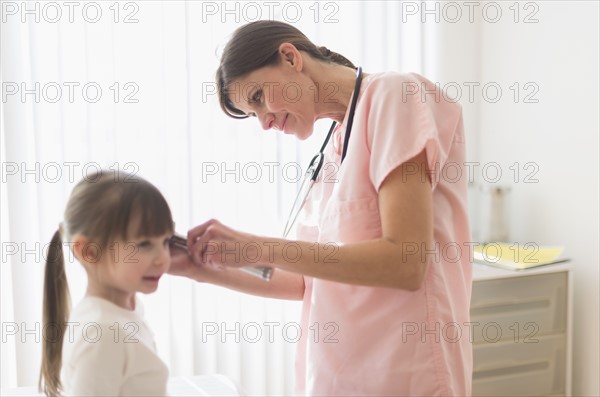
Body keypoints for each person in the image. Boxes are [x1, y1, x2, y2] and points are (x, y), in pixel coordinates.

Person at [170, 20, 472, 396]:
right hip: (341, 376)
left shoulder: (394, 97)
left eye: (259, 97)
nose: (263, 122)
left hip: (407, 372)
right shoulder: (333, 146)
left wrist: (257, 246)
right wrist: (195, 268)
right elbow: (303, 281)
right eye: (253, 113)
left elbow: (405, 263)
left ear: (290, 57)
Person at [39, 170, 174, 397]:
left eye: (166, 241)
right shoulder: (103, 333)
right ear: (90, 251)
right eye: (144, 244)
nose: (163, 258)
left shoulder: (125, 311)